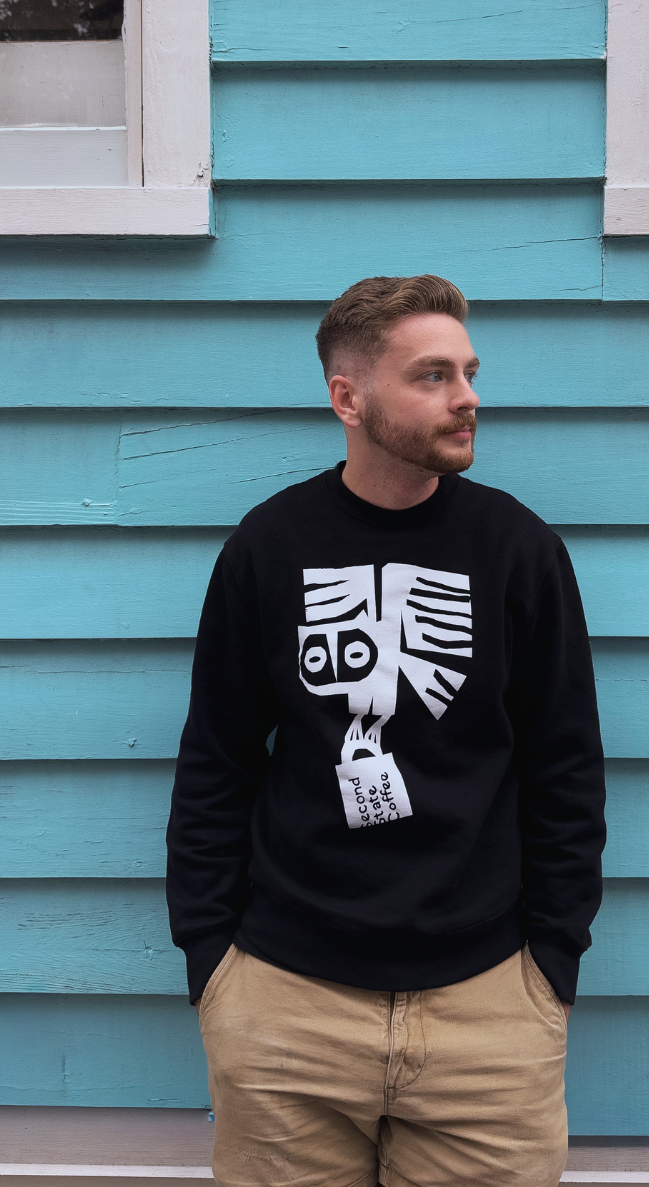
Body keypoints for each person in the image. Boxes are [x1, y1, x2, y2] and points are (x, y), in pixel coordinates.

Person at [166, 274, 607, 1187]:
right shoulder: (270, 546)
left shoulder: (518, 550)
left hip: (488, 1006)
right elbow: (219, 758)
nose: (468, 398)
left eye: (470, 372)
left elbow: (566, 767)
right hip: (286, 997)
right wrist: (214, 965)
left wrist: (550, 964)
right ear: (349, 398)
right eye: (434, 376)